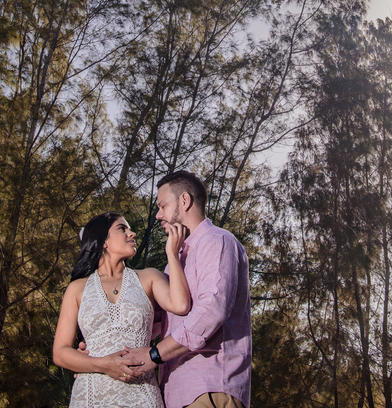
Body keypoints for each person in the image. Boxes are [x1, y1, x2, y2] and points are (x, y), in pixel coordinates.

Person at [115, 171, 252, 408]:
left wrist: (154, 355)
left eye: (163, 206)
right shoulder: (174, 262)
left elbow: (212, 311)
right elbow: (150, 322)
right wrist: (100, 357)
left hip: (209, 388)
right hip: (174, 393)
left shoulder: (216, 241)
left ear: (185, 201)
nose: (158, 215)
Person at [53, 211, 191, 408]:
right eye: (122, 229)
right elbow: (60, 352)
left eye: (130, 229)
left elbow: (180, 305)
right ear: (103, 242)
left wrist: (172, 254)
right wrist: (104, 364)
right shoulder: (77, 288)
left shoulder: (149, 277)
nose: (132, 233)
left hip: (141, 393)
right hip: (91, 395)